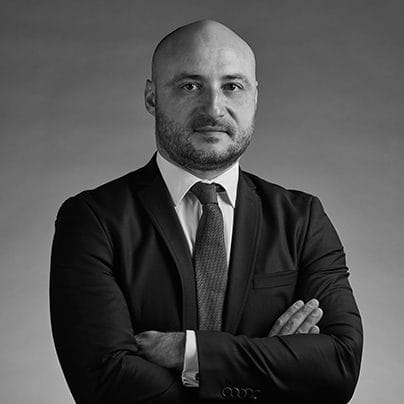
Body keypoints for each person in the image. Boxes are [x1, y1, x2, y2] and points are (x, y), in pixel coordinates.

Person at [50, 20, 363, 403]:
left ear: (255, 97)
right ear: (152, 97)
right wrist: (273, 366)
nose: (214, 108)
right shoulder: (92, 220)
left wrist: (190, 352)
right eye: (190, 86)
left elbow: (339, 366)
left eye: (232, 86)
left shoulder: (302, 219)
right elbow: (106, 383)